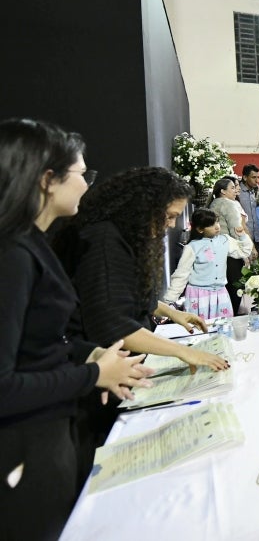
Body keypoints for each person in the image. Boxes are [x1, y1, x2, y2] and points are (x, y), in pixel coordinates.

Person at [0, 118, 152, 541]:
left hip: (47, 436)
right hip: (25, 451)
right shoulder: (12, 254)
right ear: (48, 180)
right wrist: (94, 374)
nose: (87, 186)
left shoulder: (29, 243)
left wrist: (91, 357)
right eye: (83, 174)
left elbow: (45, 342)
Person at [53, 167, 230, 475]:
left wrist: (172, 312)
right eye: (168, 216)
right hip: (97, 383)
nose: (170, 225)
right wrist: (184, 351)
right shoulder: (104, 240)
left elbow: (130, 298)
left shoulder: (123, 236)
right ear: (143, 207)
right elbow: (112, 324)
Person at [163, 208, 253, 320]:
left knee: (224, 330)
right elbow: (181, 274)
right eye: (211, 224)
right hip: (198, 296)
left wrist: (243, 236)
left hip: (220, 294)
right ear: (200, 229)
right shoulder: (192, 247)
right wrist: (169, 301)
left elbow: (244, 251)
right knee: (199, 331)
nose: (217, 226)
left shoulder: (225, 240)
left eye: (217, 222)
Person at [209, 177, 250, 314]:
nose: (235, 191)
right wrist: (244, 252)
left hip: (217, 251)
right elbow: (236, 229)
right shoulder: (228, 204)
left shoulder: (213, 203)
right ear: (223, 191)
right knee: (236, 286)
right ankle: (234, 316)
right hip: (231, 251)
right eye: (232, 188)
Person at [239, 164, 259, 252]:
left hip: (258, 236)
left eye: (258, 177)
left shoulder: (256, 190)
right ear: (245, 177)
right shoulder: (237, 192)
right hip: (244, 237)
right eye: (254, 177)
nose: (257, 180)